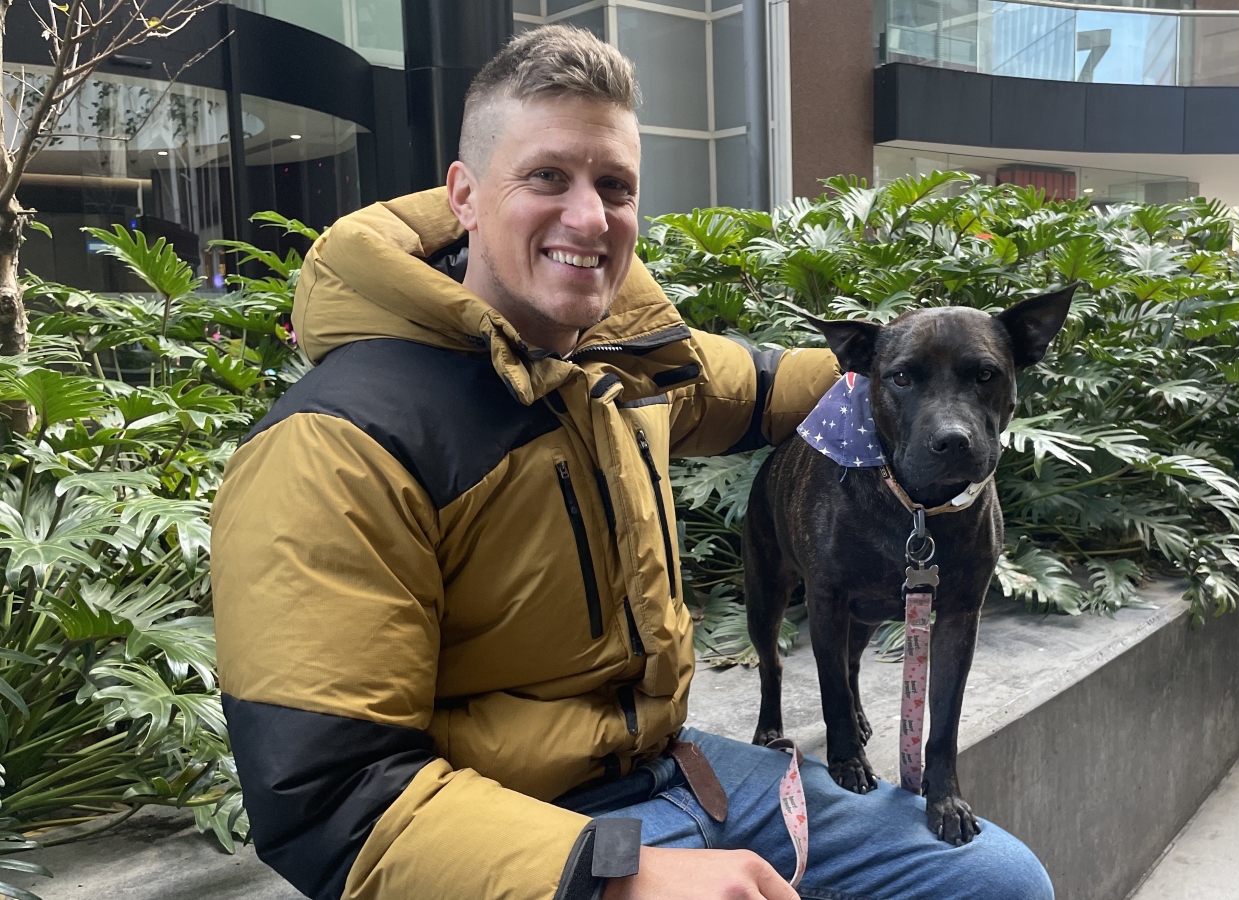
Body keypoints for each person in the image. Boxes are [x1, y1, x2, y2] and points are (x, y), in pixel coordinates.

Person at [211, 25, 1055, 900]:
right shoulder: (332, 446)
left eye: (614, 185)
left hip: (674, 772)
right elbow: (330, 803)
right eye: (547, 176)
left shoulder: (627, 365)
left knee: (998, 881)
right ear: (462, 195)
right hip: (518, 833)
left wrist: (917, 368)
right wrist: (616, 879)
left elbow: (769, 388)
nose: (589, 216)